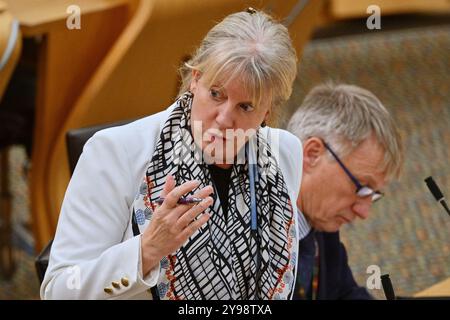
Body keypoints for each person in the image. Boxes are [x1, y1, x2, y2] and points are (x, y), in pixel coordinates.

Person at [41, 9, 309, 300]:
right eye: (216, 94)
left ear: (266, 111)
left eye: (245, 107)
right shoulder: (114, 153)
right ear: (196, 79)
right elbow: (59, 291)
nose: (223, 118)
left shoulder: (284, 154)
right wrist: (146, 251)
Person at [287, 82, 403, 299]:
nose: (364, 212)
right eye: (361, 187)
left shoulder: (320, 218)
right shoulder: (245, 235)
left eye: (373, 195)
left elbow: (343, 292)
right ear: (312, 154)